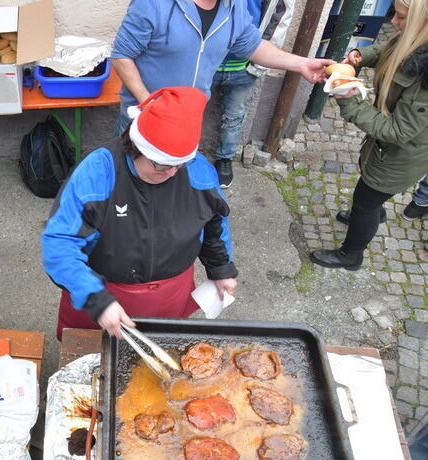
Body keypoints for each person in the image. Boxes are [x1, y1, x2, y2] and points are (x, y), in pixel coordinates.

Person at [42, 86, 238, 340]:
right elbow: (59, 243)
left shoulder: (197, 171)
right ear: (136, 147)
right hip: (105, 291)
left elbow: (215, 223)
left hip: (171, 292)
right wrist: (96, 299)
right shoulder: (97, 173)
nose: (171, 174)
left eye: (179, 165)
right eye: (160, 165)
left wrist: (221, 268)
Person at [310, 0, 428, 270]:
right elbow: (390, 49)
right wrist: (361, 56)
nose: (394, 23)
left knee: (366, 201)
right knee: (370, 193)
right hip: (388, 149)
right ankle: (375, 210)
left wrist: (348, 100)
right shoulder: (416, 39)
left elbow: (398, 131)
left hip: (402, 155)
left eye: (400, 17)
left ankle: (351, 255)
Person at [111, 0, 332, 135]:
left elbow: (252, 45)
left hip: (189, 118)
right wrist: (148, 102)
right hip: (143, 118)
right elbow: (122, 55)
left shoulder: (234, 5)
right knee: (131, 190)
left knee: (171, 192)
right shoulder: (152, 3)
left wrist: (303, 63)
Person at [212, 0, 293, 188]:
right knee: (190, 110)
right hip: (206, 60)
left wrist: (260, 64)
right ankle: (184, 154)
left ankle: (225, 158)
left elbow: (281, 14)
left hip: (244, 65)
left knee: (234, 115)